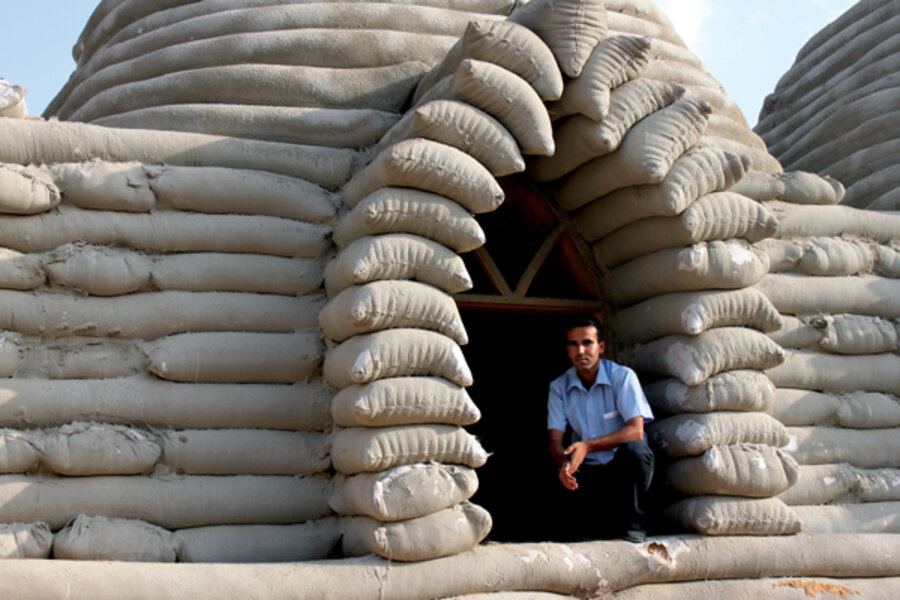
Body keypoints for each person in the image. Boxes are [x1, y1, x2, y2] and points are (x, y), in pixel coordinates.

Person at [547, 316, 654, 542]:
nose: (581, 350)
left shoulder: (622, 377)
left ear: (601, 347)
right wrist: (564, 465)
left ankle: (634, 526)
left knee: (636, 451)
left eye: (588, 342)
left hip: (621, 470)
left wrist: (587, 446)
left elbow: (636, 431)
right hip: (587, 473)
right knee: (543, 468)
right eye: (573, 344)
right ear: (567, 351)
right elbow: (555, 441)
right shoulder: (558, 387)